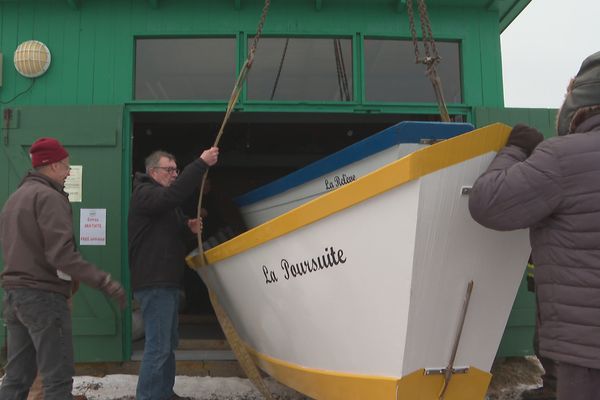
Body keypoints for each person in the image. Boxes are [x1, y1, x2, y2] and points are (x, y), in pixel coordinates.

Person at [468, 50, 600, 400]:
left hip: (587, 356)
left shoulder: (562, 158)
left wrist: (516, 149)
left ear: (579, 103)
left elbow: (487, 202)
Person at [0, 137, 126, 400]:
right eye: (67, 166)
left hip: (14, 297)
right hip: (43, 298)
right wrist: (104, 281)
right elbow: (61, 254)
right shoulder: (49, 197)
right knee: (57, 379)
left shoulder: (16, 198)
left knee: (16, 378)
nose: (70, 172)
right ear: (53, 166)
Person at [128, 147, 219, 400]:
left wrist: (186, 226)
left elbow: (168, 231)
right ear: (153, 171)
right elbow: (171, 198)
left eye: (176, 170)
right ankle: (148, 396)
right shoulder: (145, 193)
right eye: (169, 170)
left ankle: (163, 393)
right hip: (154, 282)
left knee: (167, 345)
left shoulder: (161, 202)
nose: (174, 175)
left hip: (165, 281)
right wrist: (200, 163)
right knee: (158, 347)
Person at [521, 258, 557, 400]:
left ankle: (557, 388)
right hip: (550, 276)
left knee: (548, 340)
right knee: (544, 340)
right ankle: (554, 386)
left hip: (559, 278)